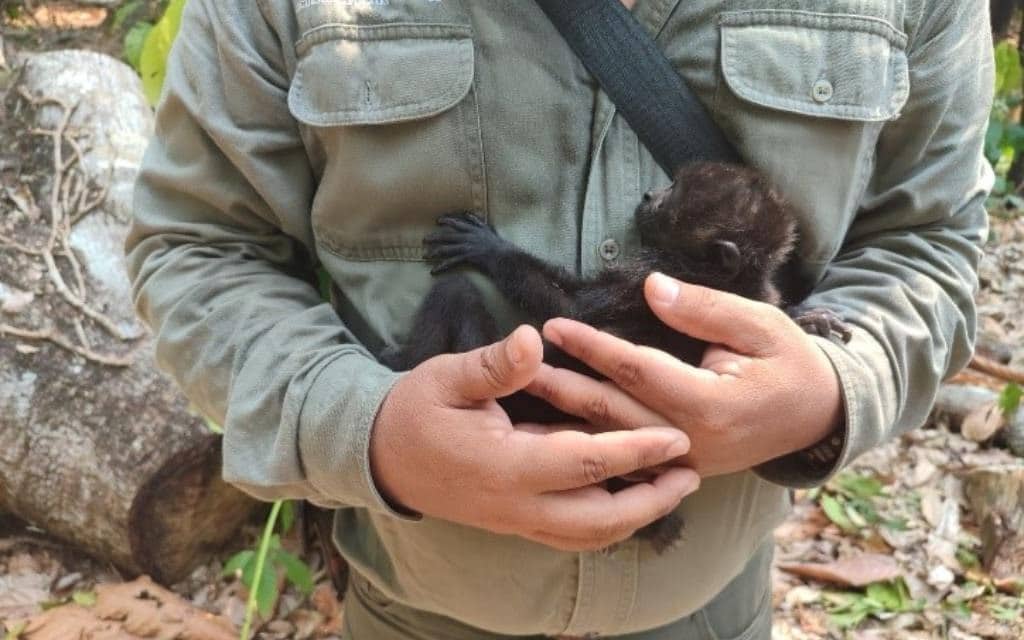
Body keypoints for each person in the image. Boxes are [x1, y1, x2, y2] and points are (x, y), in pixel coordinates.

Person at [126, 0, 994, 638]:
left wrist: (832, 389)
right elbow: (199, 246)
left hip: (714, 606)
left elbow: (930, 243)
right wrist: (368, 426)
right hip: (418, 600)